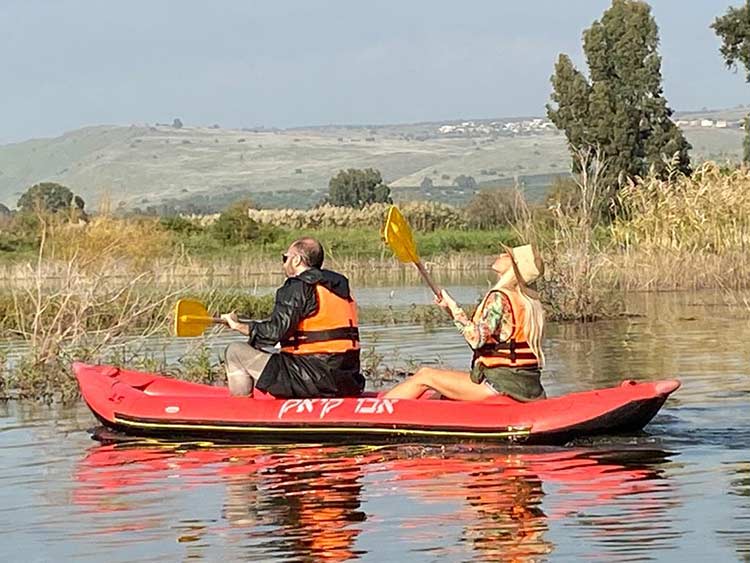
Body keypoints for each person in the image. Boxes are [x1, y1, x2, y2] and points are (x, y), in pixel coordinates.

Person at [384, 244, 546, 401]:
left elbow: (475, 339)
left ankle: (376, 411)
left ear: (514, 267)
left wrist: (454, 307)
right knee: (437, 397)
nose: (502, 254)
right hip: (527, 387)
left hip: (499, 385)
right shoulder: (529, 301)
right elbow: (487, 344)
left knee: (424, 375)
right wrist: (449, 310)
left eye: (508, 255)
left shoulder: (500, 297)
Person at [221, 237, 364, 398]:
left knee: (234, 351)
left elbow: (275, 332)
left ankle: (241, 408)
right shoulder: (339, 286)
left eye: (285, 257)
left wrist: (238, 325)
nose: (284, 263)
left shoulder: (297, 286)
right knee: (261, 347)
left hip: (313, 381)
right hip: (348, 381)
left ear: (296, 260)